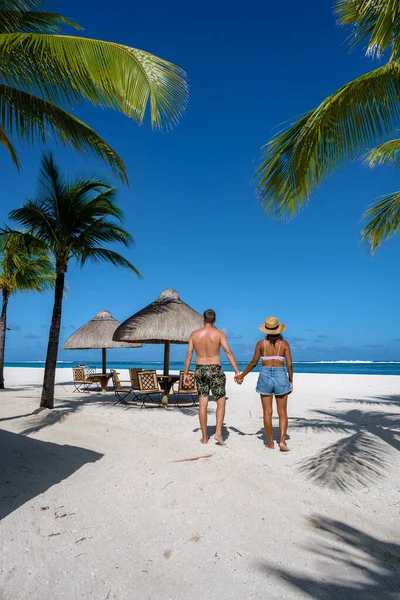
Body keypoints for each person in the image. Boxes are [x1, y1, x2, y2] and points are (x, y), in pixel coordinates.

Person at [235, 316, 293, 452]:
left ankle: (270, 443)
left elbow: (253, 363)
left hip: (265, 376)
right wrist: (291, 380)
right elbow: (289, 364)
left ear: (266, 330)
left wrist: (241, 376)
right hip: (280, 375)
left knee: (267, 413)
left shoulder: (261, 344)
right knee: (282, 412)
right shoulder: (284, 345)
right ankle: (283, 441)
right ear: (278, 330)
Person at [184, 309, 241, 445]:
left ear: (203, 320)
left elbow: (189, 355)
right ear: (214, 320)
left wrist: (186, 373)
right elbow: (228, 352)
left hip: (200, 370)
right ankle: (219, 433)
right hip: (215, 370)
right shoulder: (219, 334)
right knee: (220, 401)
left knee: (202, 403)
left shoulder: (194, 334)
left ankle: (204, 437)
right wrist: (237, 371)